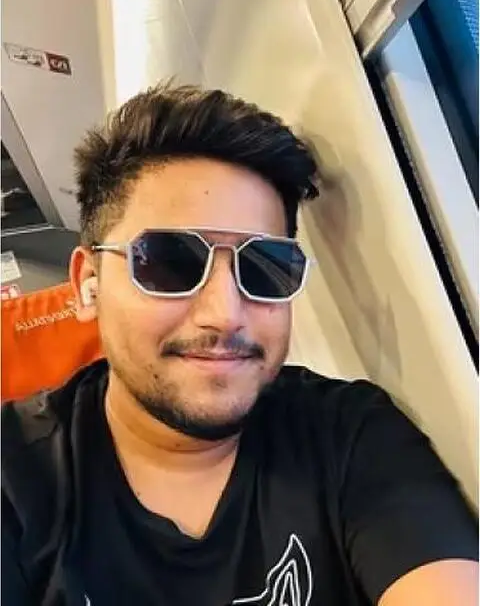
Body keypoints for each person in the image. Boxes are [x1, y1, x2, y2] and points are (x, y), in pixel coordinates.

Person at [2, 83, 477, 606]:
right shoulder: (15, 477)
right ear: (88, 285)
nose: (225, 314)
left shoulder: (350, 435)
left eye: (264, 268)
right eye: (170, 263)